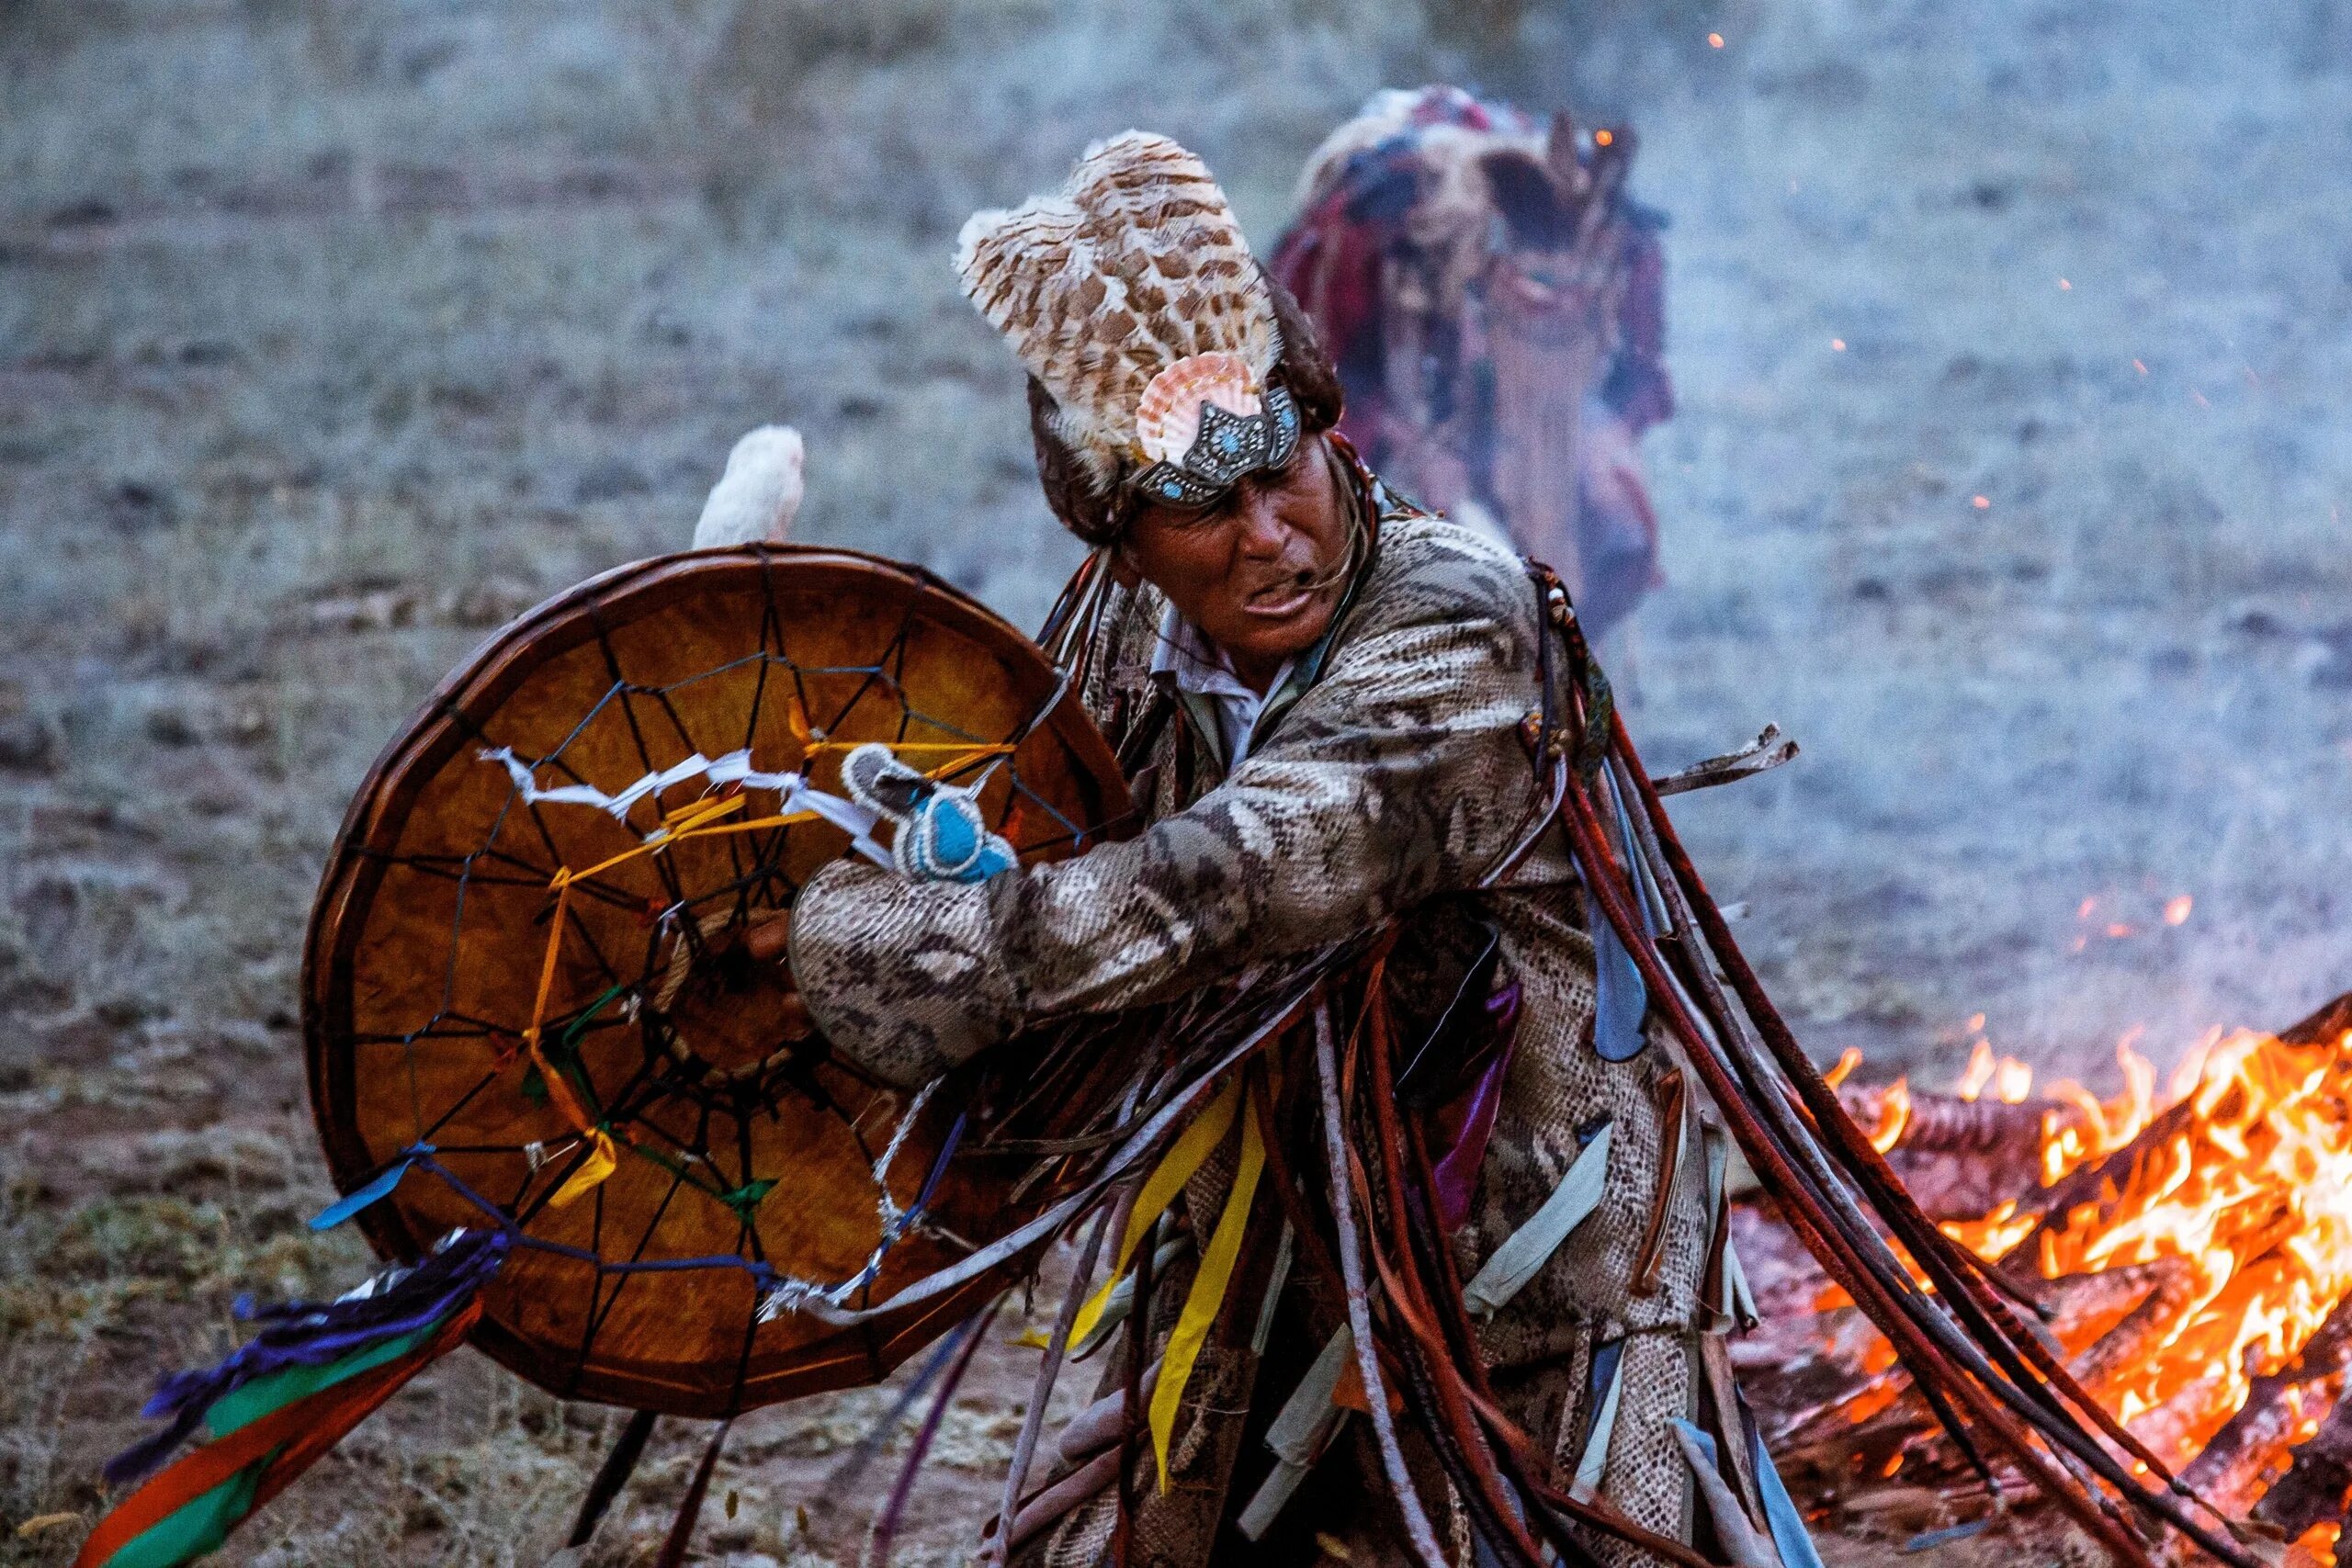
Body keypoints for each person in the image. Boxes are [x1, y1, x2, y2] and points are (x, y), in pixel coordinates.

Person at [758, 131, 1781, 1568]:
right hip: (1273, 1266)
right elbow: (1040, 836)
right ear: (1121, 537)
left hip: (1535, 1293)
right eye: (1200, 508)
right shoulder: (1123, 624)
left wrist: (887, 950)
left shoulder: (1457, 626)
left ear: (1321, 428)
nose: (1270, 537)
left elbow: (1226, 882)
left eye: (1284, 470)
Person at [1271, 85, 1672, 647]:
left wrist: (1604, 428)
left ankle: (1575, 672)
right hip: (1404, 412)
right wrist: (1401, 444)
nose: (1549, 301)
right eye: (1530, 287)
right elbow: (1307, 387)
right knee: (1435, 572)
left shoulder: (1622, 240)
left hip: (1555, 420)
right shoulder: (1376, 233)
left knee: (1618, 529)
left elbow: (1639, 373)